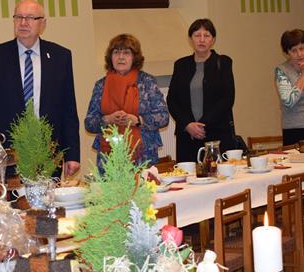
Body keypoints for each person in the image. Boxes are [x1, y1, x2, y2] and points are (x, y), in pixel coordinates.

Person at [0, 0, 80, 176]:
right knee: (13, 195)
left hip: (48, 151)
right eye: (19, 17)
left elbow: (68, 109)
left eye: (30, 18)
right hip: (7, 152)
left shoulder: (60, 56)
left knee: (48, 194)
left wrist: (72, 154)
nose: (23, 22)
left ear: (42, 24)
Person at [84, 34, 169, 169]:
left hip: (143, 154)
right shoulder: (101, 85)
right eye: (116, 52)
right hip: (108, 156)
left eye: (126, 53)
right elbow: (89, 123)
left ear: (134, 57)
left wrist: (137, 120)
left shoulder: (147, 81)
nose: (121, 57)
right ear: (110, 57)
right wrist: (107, 119)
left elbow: (163, 117)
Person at [167, 19, 236, 163]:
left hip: (216, 134)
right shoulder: (181, 65)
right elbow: (172, 100)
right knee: (188, 175)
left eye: (207, 35)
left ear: (213, 40)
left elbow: (227, 98)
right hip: (187, 135)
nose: (202, 39)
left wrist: (202, 125)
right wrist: (188, 125)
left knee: (218, 173)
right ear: (190, 39)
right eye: (197, 35)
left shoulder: (223, 62)